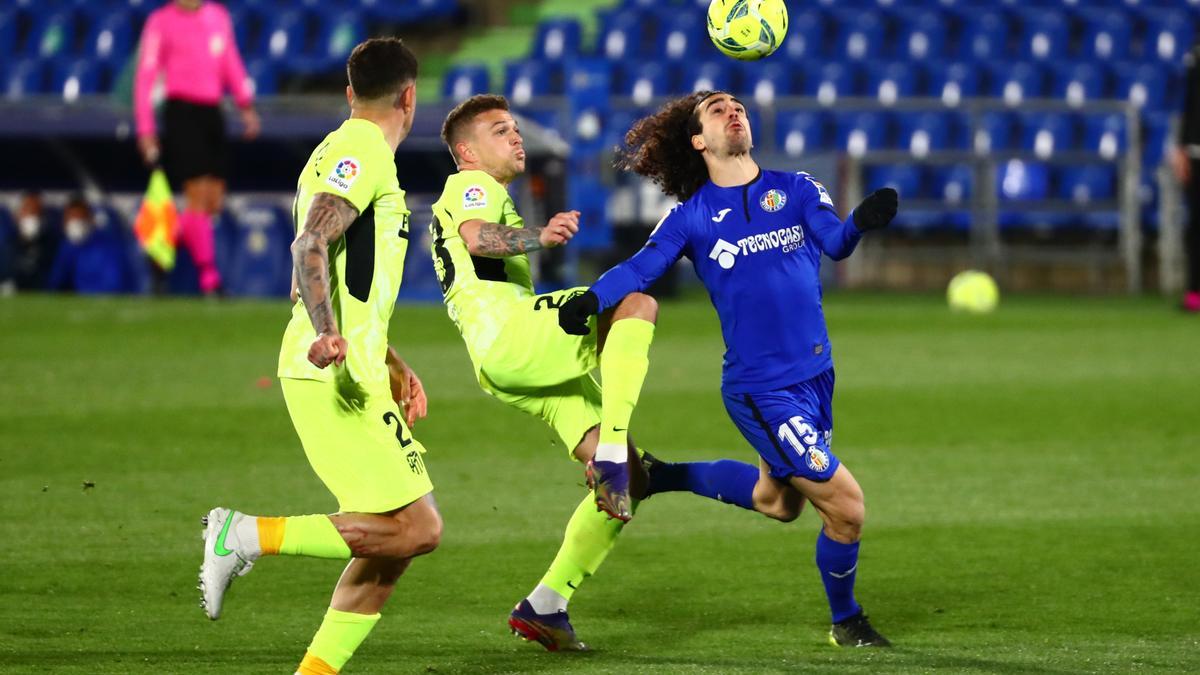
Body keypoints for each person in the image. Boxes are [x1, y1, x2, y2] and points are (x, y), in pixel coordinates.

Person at [556, 91, 898, 647]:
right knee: (847, 509)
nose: (732, 111)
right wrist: (592, 299)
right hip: (762, 391)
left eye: (737, 106)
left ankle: (664, 476)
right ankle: (847, 621)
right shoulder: (691, 218)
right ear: (698, 140)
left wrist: (859, 221)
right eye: (717, 109)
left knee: (778, 503)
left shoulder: (798, 188)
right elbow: (642, 267)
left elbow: (835, 243)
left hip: (816, 376)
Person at [197, 38, 442, 675]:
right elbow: (309, 246)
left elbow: (337, 268)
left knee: (386, 555)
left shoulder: (335, 149)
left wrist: (388, 357)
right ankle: (243, 535)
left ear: (349, 91)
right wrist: (332, 334)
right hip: (329, 368)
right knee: (417, 529)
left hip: (348, 363)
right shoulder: (363, 148)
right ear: (409, 95)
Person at [428, 93, 691, 651]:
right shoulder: (471, 187)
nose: (516, 137)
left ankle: (546, 606)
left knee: (631, 484)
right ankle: (614, 452)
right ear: (466, 152)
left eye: (516, 128)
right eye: (500, 131)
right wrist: (537, 237)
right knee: (634, 303)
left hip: (504, 360)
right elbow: (478, 238)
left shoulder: (489, 193)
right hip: (511, 335)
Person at [134, 0, 261, 295]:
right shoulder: (160, 22)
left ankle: (160, 248)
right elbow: (146, 75)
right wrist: (146, 128)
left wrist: (245, 104)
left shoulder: (218, 16)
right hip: (181, 111)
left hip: (211, 112)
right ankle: (210, 278)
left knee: (214, 199)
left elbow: (230, 60)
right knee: (198, 192)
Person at [48, 195, 137, 294]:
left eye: (80, 218)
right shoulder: (66, 247)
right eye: (71, 219)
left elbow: (113, 284)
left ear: (90, 219)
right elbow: (55, 280)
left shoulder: (107, 245)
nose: (75, 224)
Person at [1172, 41, 1200, 313]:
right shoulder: (1196, 54)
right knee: (1196, 226)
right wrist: (1181, 146)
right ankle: (1195, 291)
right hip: (1196, 151)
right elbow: (1190, 103)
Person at [8, 192, 61, 291]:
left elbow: (56, 278)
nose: (33, 216)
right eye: (28, 211)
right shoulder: (7, 244)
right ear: (17, 215)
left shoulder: (52, 245)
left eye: (37, 212)